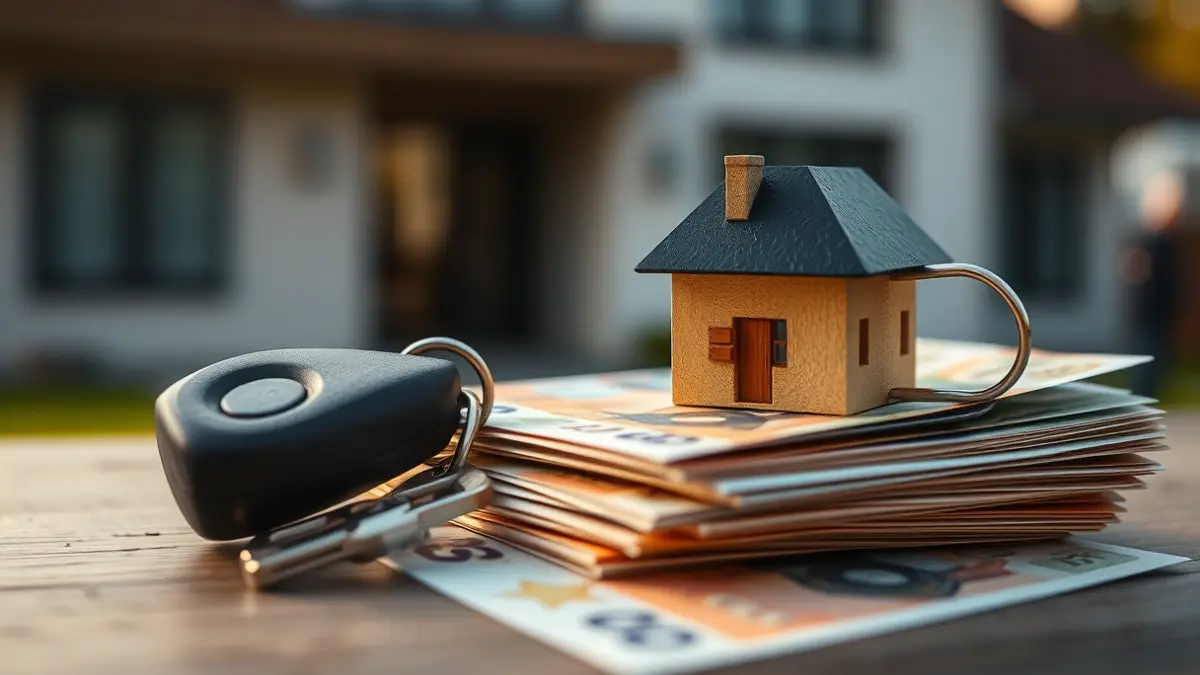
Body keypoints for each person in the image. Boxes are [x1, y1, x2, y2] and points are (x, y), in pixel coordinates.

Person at [1119, 169, 1184, 398]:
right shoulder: (1148, 240)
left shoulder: (1161, 240)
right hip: (1149, 318)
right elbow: (1138, 276)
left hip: (1157, 317)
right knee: (1146, 374)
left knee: (1154, 373)